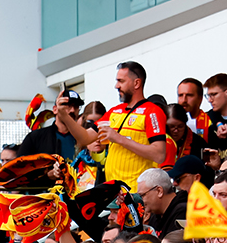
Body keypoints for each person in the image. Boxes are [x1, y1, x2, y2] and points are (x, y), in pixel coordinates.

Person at [57, 61, 169, 189]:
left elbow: (159, 155)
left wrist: (119, 138)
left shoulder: (152, 111)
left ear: (136, 83)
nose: (116, 86)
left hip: (137, 192)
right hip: (114, 191)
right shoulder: (114, 111)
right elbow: (85, 138)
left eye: (121, 81)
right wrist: (64, 116)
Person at [136, 167, 186, 238]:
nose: (140, 201)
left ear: (159, 191)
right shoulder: (155, 214)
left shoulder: (183, 212)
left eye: (142, 195)